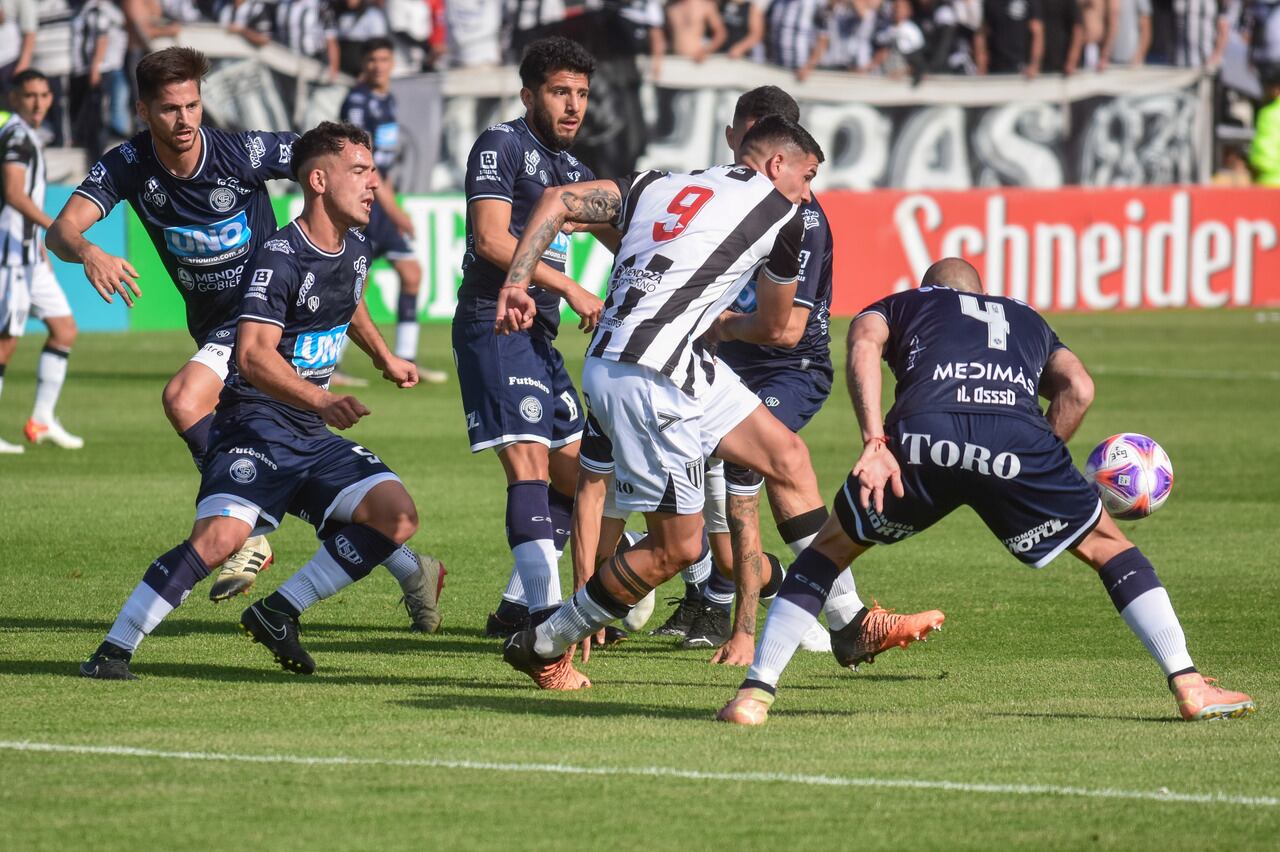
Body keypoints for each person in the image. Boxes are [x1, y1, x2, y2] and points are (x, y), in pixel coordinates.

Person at [496, 115, 939, 691]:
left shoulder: (655, 184)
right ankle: (543, 644)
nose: (809, 195)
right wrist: (728, 324)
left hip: (653, 359)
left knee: (787, 456)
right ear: (777, 165)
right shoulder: (787, 215)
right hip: (647, 377)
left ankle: (849, 623)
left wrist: (516, 281)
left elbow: (559, 199)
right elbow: (779, 329)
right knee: (676, 549)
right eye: (807, 177)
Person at [716, 257, 1256, 724]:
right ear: (980, 291)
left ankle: (755, 695)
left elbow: (862, 335)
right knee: (1110, 549)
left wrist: (874, 440)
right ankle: (1188, 683)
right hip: (1017, 441)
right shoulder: (1025, 317)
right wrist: (1030, 470)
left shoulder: (904, 303)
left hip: (924, 436)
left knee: (828, 552)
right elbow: (1080, 388)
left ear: (930, 287)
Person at [46, 48, 443, 629]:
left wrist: (364, 190)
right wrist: (88, 251)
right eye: (169, 109)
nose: (185, 120)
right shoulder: (128, 164)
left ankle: (252, 532)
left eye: (193, 106)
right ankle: (410, 567)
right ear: (143, 111)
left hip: (263, 328)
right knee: (297, 478)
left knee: (184, 398)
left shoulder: (240, 152)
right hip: (226, 335)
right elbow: (61, 230)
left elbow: (320, 159)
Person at [451, 36, 605, 639]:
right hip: (495, 322)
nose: (573, 106)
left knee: (583, 475)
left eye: (582, 94)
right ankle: (544, 625)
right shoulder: (500, 146)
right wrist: (568, 286)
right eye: (560, 92)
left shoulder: (574, 172)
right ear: (528, 94)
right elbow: (488, 238)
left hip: (540, 338)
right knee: (531, 469)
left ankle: (517, 608)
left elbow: (621, 233)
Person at [339, 36, 445, 381]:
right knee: (357, 285)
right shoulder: (357, 103)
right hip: (363, 202)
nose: (378, 66)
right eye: (372, 60)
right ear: (364, 64)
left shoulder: (388, 102)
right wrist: (396, 211)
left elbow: (384, 165)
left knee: (409, 275)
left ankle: (406, 357)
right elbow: (365, 166)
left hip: (380, 201)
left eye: (384, 59)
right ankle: (332, 365)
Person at [0, 70, 82, 453]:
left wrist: (43, 247)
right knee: (5, 343)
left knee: (64, 328)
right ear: (14, 98)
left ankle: (42, 420)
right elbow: (14, 194)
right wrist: (57, 227)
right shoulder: (15, 134)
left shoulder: (29, 135)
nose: (38, 102)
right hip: (9, 257)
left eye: (44, 94)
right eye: (29, 95)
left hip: (30, 255)